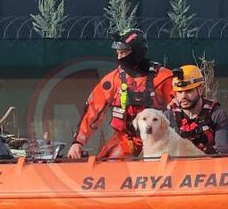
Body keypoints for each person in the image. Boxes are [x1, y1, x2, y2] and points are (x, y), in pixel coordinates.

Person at [67, 29, 175, 159]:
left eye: (123, 52)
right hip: (126, 140)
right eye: (118, 53)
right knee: (108, 167)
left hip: (160, 140)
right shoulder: (113, 80)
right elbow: (93, 111)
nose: (119, 57)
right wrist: (78, 142)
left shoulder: (163, 77)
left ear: (137, 52)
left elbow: (180, 111)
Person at [168, 65, 228, 155]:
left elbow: (224, 153)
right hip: (178, 166)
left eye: (189, 91)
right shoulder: (168, 116)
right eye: (179, 92)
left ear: (200, 89)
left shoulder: (217, 114)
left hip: (209, 165)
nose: (183, 96)